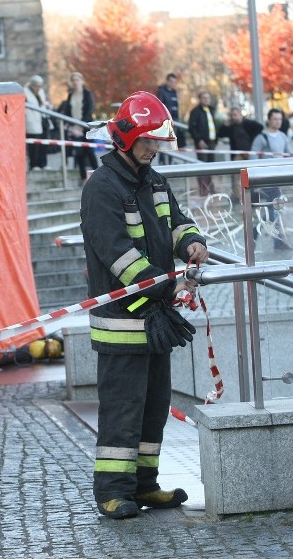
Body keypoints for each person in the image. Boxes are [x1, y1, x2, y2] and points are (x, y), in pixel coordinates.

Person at [80, 91, 208, 520]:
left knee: (153, 410)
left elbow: (176, 220)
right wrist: (165, 287)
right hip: (122, 323)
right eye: (148, 140)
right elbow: (117, 255)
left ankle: (145, 486)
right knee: (122, 412)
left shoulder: (153, 179)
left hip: (155, 319)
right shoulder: (102, 188)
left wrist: (191, 242)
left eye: (157, 140)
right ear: (127, 137)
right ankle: (112, 492)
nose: (154, 148)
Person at [250, 108, 293, 250]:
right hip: (265, 182)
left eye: (280, 119)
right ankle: (253, 241)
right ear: (269, 120)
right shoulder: (261, 137)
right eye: (275, 119)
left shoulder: (282, 136)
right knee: (267, 213)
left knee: (275, 211)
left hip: (277, 180)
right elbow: (253, 157)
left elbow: (289, 154)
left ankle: (277, 241)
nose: (277, 121)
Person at [217, 107, 263, 200]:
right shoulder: (231, 127)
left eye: (235, 115)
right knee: (235, 177)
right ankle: (237, 197)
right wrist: (226, 124)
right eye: (232, 115)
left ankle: (253, 195)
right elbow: (220, 134)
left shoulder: (247, 123)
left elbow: (260, 127)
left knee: (251, 176)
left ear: (240, 115)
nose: (234, 117)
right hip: (238, 155)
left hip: (249, 154)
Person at [62, 72, 98, 181]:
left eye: (77, 80)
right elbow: (67, 111)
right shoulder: (70, 95)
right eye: (73, 80)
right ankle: (83, 177)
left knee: (89, 151)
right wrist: (71, 125)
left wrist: (82, 125)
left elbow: (90, 109)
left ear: (82, 81)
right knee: (79, 153)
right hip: (74, 128)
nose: (75, 82)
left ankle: (98, 175)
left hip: (85, 126)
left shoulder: (87, 93)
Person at [188, 91, 219, 196]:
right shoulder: (195, 112)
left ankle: (210, 187)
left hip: (211, 143)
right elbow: (192, 128)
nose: (206, 100)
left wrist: (216, 141)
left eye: (208, 98)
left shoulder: (212, 110)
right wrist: (198, 140)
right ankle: (203, 189)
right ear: (200, 99)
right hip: (202, 143)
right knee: (202, 166)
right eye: (204, 98)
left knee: (211, 166)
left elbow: (215, 125)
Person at [155, 73, 186, 163]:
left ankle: (170, 162)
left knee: (172, 142)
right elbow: (160, 106)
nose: (173, 83)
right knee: (164, 142)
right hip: (165, 121)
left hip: (175, 121)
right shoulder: (162, 91)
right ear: (167, 81)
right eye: (171, 81)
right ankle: (162, 163)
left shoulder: (174, 92)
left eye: (175, 82)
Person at [24, 75, 53, 170]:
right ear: (32, 85)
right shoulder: (25, 92)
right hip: (32, 120)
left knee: (44, 143)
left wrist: (48, 105)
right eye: (37, 86)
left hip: (42, 119)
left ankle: (43, 164)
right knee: (34, 145)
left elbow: (43, 103)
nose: (38, 88)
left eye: (40, 86)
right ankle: (34, 165)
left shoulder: (40, 92)